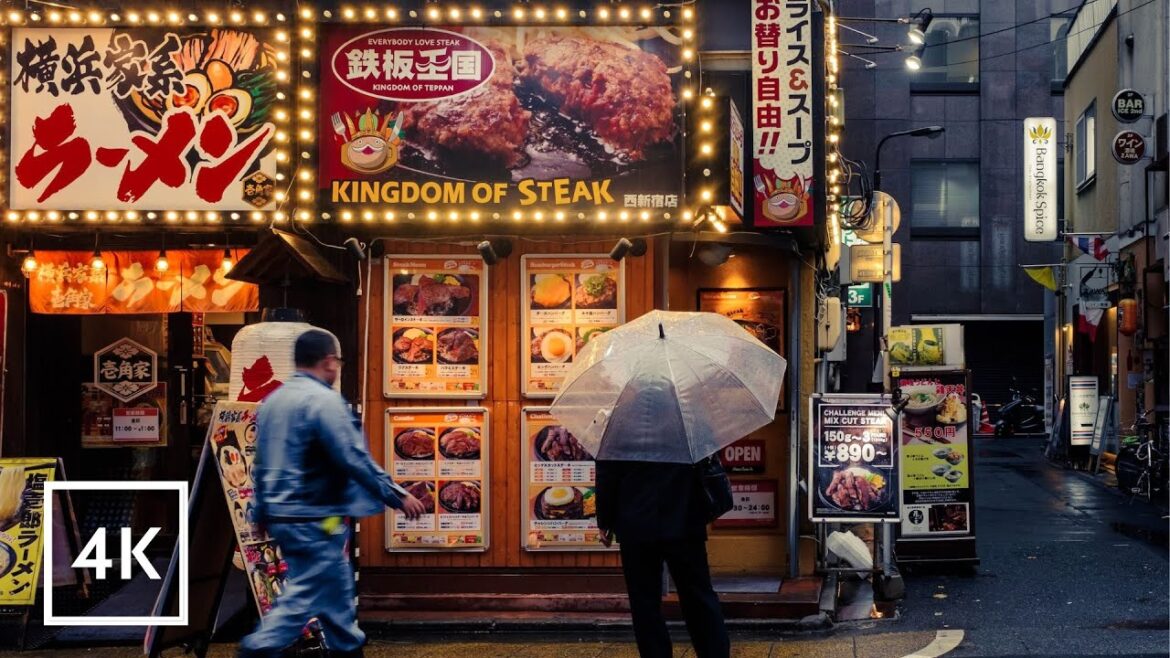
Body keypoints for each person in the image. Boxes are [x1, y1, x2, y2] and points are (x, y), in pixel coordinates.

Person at [239, 329, 426, 658]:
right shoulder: (324, 401)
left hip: (284, 517)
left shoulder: (273, 402)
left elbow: (262, 463)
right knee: (307, 589)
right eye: (336, 362)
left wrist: (261, 512)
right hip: (314, 517)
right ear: (328, 361)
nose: (336, 368)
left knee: (336, 586)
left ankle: (347, 645)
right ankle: (259, 647)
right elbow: (353, 457)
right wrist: (397, 495)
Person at [594, 377, 730, 658]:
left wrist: (604, 520)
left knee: (644, 602)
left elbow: (607, 473)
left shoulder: (620, 421)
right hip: (684, 520)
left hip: (635, 524)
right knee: (698, 596)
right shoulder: (690, 417)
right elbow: (710, 460)